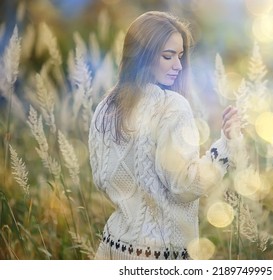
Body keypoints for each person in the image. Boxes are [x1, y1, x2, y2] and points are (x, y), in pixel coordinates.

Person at [88, 11, 241, 260]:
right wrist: (225, 147)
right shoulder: (172, 106)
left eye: (180, 56)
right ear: (142, 56)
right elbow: (185, 185)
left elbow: (101, 178)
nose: (178, 66)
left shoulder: (106, 106)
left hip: (112, 247)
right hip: (159, 255)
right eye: (167, 56)